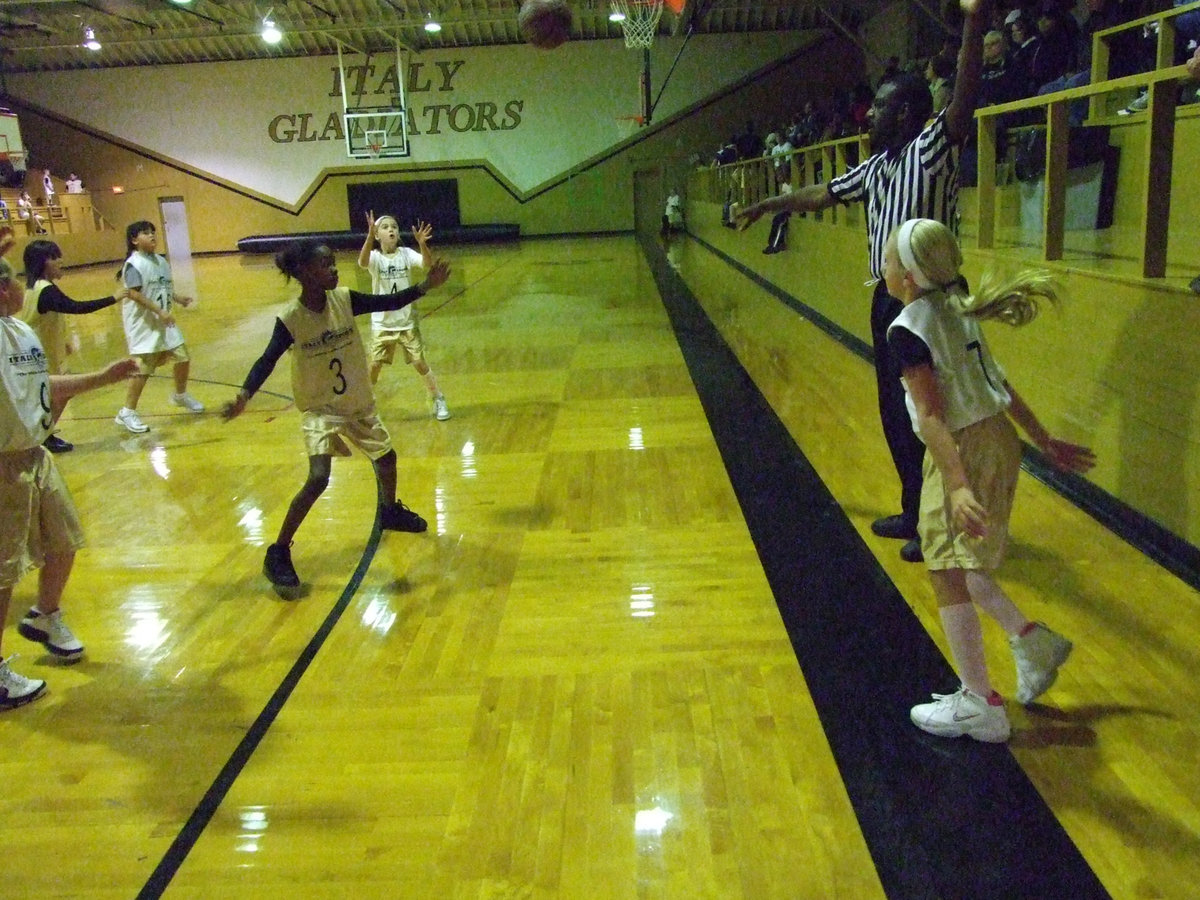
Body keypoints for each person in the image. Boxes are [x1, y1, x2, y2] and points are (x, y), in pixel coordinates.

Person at [737, 0, 992, 563]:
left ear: (905, 115)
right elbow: (820, 193)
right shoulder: (876, 167)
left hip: (932, 307)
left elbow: (964, 99)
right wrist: (769, 202)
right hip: (888, 301)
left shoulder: (933, 151)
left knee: (935, 416)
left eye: (878, 109)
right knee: (897, 414)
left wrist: (975, 21)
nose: (867, 117)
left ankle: (944, 524)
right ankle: (914, 508)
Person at [882, 217, 1095, 741]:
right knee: (955, 559)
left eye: (888, 259)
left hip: (966, 446)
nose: (882, 267)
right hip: (996, 436)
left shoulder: (908, 327)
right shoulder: (959, 306)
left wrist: (955, 482)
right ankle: (1030, 643)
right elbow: (998, 382)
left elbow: (931, 416)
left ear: (907, 277)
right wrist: (1042, 440)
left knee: (946, 564)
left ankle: (981, 703)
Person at [222, 240, 450, 590]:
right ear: (303, 273)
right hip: (320, 410)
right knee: (318, 478)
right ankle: (279, 551)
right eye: (325, 265)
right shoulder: (291, 320)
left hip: (357, 404)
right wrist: (243, 395)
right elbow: (266, 360)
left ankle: (389, 511)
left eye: (333, 263)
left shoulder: (344, 298)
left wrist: (424, 286)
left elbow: (389, 301)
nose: (334, 269)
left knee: (387, 458)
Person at [0, 233, 139, 709]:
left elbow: (44, 383)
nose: (21, 285)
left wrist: (100, 379)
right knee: (3, 573)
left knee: (64, 541)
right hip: (2, 465)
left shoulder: (20, 331)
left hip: (35, 456)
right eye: (14, 279)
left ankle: (44, 615)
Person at [21, 239, 129, 453]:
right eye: (53, 257)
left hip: (44, 351)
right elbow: (76, 307)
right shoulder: (46, 290)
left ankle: (44, 434)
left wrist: (64, 342)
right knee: (59, 393)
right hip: (39, 355)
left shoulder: (36, 287)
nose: (60, 261)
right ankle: (41, 436)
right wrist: (113, 298)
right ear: (42, 263)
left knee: (57, 394)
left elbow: (47, 318)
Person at [356, 212, 449, 421]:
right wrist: (369, 237)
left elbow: (427, 264)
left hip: (406, 321)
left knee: (419, 362)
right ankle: (364, 407)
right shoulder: (375, 258)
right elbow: (362, 262)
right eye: (386, 227)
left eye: (395, 227)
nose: (391, 230)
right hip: (382, 323)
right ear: (377, 235)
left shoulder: (406, 253)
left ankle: (437, 397)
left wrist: (422, 244)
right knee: (374, 366)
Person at [114, 220, 202, 433]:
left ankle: (180, 395)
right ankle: (127, 411)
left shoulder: (160, 261)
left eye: (153, 232)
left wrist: (178, 298)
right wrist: (159, 311)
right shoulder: (134, 264)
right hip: (144, 322)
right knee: (143, 368)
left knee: (183, 356)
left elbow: (163, 286)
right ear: (134, 240)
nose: (152, 236)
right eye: (146, 233)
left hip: (163, 320)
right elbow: (134, 293)